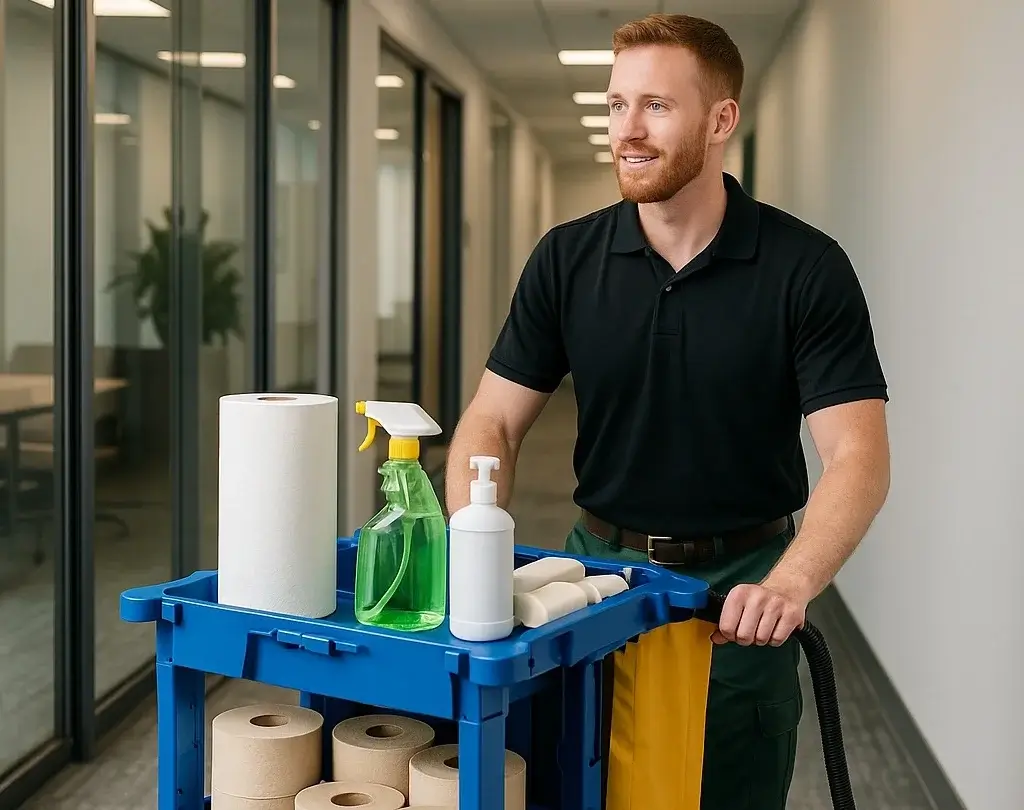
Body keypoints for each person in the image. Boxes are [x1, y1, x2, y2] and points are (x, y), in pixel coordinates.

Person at [444, 12, 890, 810]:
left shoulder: (804, 268)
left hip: (740, 596)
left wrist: (789, 584)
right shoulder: (567, 259)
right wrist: (467, 546)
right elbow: (494, 422)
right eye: (617, 105)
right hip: (596, 581)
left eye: (656, 105)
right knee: (578, 786)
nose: (627, 130)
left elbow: (858, 458)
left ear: (721, 121)